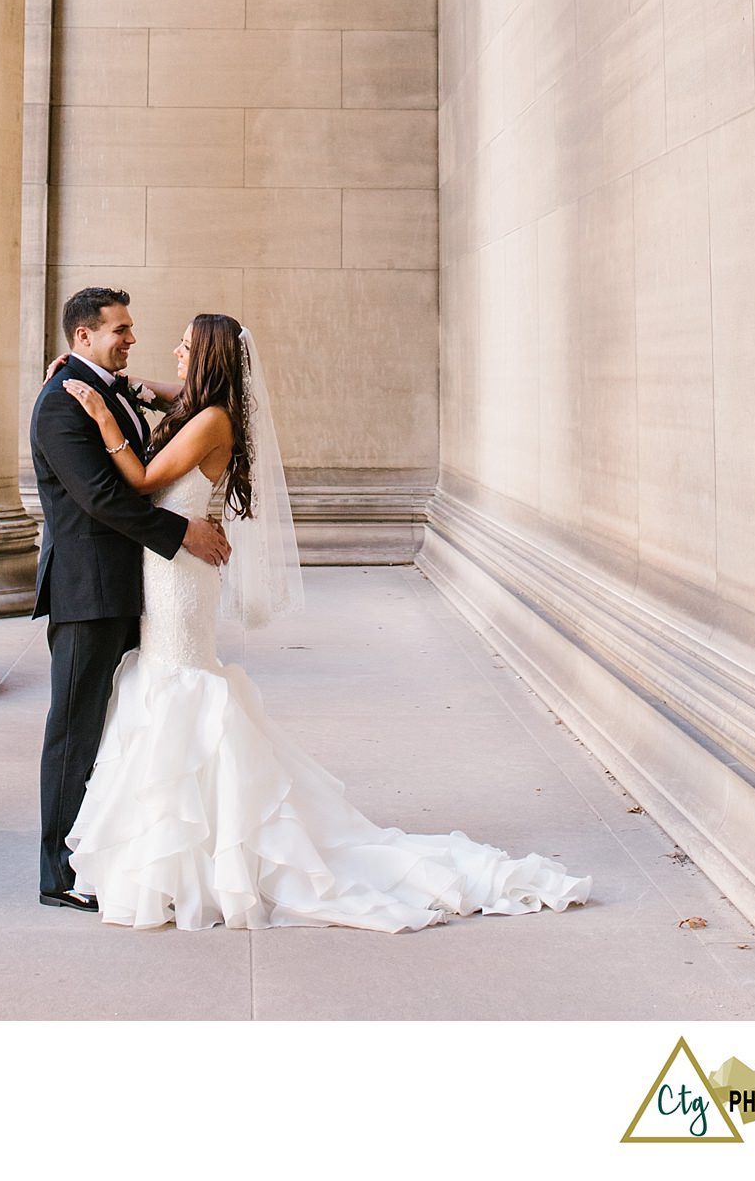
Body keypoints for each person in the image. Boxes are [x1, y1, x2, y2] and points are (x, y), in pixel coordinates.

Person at [58, 311, 593, 932]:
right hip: (170, 566)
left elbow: (146, 478)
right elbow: (164, 391)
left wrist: (100, 417)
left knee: (181, 682)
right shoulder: (203, 407)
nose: (172, 357)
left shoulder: (211, 421)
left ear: (206, 359)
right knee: (168, 680)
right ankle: (189, 853)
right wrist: (106, 382)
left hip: (181, 574)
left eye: (183, 349)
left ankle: (201, 855)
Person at [29, 286, 231, 911]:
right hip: (88, 591)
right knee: (75, 727)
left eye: (131, 327)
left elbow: (176, 412)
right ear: (82, 336)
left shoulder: (107, 388)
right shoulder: (61, 408)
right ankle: (58, 871)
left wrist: (132, 385)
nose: (132, 339)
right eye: (119, 330)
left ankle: (121, 844)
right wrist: (183, 533)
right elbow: (104, 499)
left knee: (133, 721)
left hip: (133, 585)